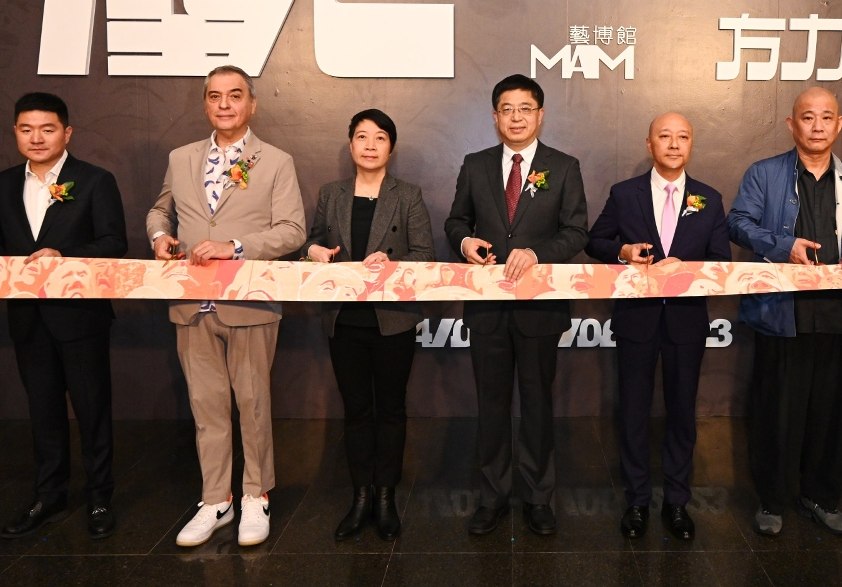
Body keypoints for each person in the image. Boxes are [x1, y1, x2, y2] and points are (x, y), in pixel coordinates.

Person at [146, 65, 306, 548]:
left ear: (252, 104)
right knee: (206, 407)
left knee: (252, 404)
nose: (224, 104)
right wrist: (160, 236)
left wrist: (233, 247)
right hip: (192, 304)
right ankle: (216, 500)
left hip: (250, 302)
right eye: (215, 96)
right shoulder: (181, 158)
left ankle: (256, 495)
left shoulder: (275, 161)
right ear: (205, 104)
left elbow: (293, 231)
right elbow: (160, 209)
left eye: (235, 95)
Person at [727, 87, 842, 537]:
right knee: (776, 412)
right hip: (781, 313)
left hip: (836, 313)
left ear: (839, 124)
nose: (817, 126)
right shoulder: (764, 173)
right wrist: (783, 246)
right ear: (791, 124)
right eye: (808, 117)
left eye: (826, 117)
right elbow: (738, 223)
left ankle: (821, 498)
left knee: (828, 415)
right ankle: (771, 501)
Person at [444, 74, 588, 536]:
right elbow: (456, 220)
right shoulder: (476, 165)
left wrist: (537, 253)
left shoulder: (563, 166)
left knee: (538, 406)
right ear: (495, 116)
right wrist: (464, 242)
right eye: (507, 109)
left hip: (539, 311)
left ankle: (539, 498)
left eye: (525, 108)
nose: (516, 117)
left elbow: (576, 231)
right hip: (487, 310)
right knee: (491, 407)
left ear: (540, 115)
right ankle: (492, 497)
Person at [0, 92, 128, 540]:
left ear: (67, 133)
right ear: (15, 133)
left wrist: (62, 255)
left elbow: (113, 243)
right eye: (26, 129)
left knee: (92, 411)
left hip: (80, 317)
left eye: (47, 129)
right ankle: (49, 495)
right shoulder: (3, 184)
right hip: (27, 318)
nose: (37, 138)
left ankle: (99, 498)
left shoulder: (95, 180)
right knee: (42, 412)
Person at [586, 112, 730, 541]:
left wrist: (686, 268)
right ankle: (636, 501)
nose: (673, 144)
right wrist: (624, 251)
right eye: (664, 136)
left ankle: (677, 501)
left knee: (682, 413)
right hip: (637, 320)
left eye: (682, 137)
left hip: (686, 322)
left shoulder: (709, 198)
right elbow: (594, 241)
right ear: (649, 144)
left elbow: (720, 261)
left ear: (691, 144)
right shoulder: (624, 193)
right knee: (633, 412)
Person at [302, 109, 435, 541]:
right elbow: (313, 241)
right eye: (362, 136)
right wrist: (312, 251)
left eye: (380, 137)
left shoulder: (407, 194)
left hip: (392, 320)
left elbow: (425, 255)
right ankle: (360, 497)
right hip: (344, 319)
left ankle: (386, 498)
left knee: (391, 410)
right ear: (351, 144)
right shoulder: (332, 193)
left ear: (390, 147)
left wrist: (392, 263)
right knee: (356, 410)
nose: (370, 145)